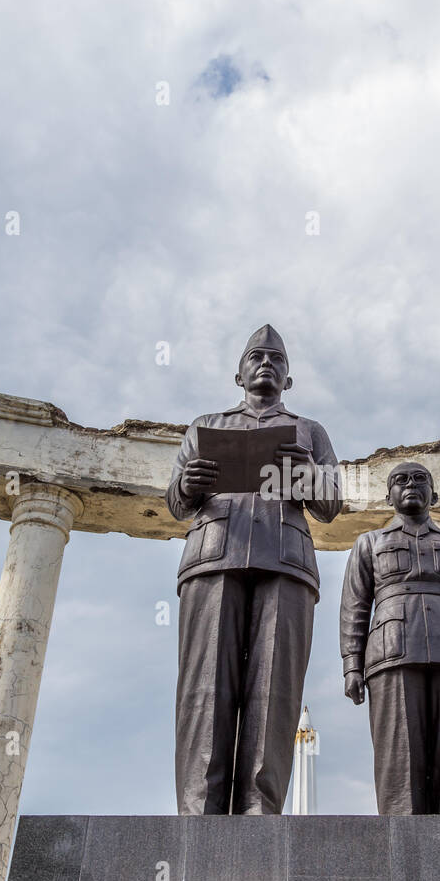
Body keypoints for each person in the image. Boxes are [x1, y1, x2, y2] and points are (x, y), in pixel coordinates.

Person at [167, 323, 342, 814]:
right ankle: (197, 816)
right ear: (238, 373)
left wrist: (304, 472)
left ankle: (260, 816)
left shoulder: (310, 431)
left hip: (284, 562)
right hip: (213, 557)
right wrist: (189, 485)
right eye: (257, 356)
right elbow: (175, 502)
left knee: (275, 692)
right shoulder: (207, 425)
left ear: (288, 379)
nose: (267, 363)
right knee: (205, 690)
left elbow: (332, 505)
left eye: (277, 359)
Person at [340, 461, 440, 814]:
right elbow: (355, 608)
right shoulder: (369, 544)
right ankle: (404, 842)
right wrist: (351, 666)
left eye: (419, 479)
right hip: (391, 651)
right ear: (389, 496)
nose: (410, 484)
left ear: (434, 494)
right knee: (399, 755)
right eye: (400, 480)